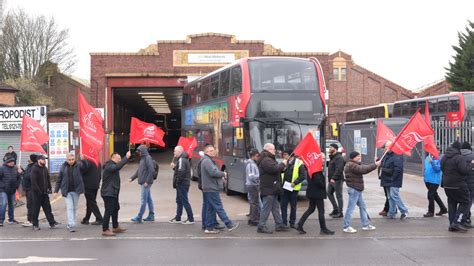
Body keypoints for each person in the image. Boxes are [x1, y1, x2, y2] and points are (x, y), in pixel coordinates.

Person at [201, 144, 239, 234]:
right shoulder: (207, 161)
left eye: (213, 150)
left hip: (209, 187)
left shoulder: (208, 160)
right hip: (211, 188)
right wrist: (223, 174)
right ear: (206, 152)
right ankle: (229, 224)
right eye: (210, 151)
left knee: (210, 208)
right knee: (219, 207)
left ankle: (209, 227)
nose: (212, 152)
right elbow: (213, 172)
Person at [296, 154, 335, 235]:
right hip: (317, 193)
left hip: (312, 192)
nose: (324, 160)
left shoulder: (313, 166)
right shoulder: (316, 168)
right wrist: (323, 184)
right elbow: (318, 181)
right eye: (322, 158)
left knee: (311, 209)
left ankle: (299, 225)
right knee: (321, 211)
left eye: (324, 158)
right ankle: (323, 229)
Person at [342, 151, 380, 233]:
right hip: (354, 189)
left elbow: (364, 167)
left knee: (362, 207)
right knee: (350, 208)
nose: (359, 157)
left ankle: (366, 225)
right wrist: (375, 165)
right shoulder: (352, 165)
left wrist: (374, 163)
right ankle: (346, 226)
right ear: (353, 158)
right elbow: (363, 169)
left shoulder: (352, 164)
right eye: (358, 156)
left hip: (357, 189)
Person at [441, 141, 473, 232]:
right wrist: (471, 164)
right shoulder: (459, 158)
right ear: (459, 149)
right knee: (465, 202)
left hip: (447, 185)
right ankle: (457, 222)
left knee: (452, 203)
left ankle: (452, 224)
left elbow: (442, 169)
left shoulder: (444, 157)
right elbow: (464, 171)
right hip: (458, 185)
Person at [257, 143, 288, 234]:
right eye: (273, 149)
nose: (274, 151)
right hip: (269, 188)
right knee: (266, 208)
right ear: (268, 150)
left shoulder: (268, 158)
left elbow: (276, 169)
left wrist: (283, 166)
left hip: (272, 188)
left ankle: (279, 224)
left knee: (275, 208)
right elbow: (274, 169)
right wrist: (282, 164)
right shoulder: (266, 160)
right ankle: (261, 226)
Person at [101, 151, 131, 236]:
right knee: (109, 210)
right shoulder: (109, 165)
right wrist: (126, 158)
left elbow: (118, 166)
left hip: (113, 191)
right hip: (108, 192)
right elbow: (117, 167)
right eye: (119, 159)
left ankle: (115, 226)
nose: (120, 160)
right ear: (113, 158)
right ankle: (105, 229)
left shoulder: (113, 165)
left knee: (115, 208)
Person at [53, 153, 85, 232]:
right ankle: (71, 225)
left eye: (72, 159)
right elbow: (59, 180)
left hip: (76, 191)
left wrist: (83, 160)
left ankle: (71, 223)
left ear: (75, 159)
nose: (71, 161)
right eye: (69, 160)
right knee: (70, 207)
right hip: (67, 191)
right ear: (66, 160)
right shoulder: (63, 167)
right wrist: (56, 191)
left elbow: (85, 167)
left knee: (74, 208)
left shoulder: (79, 166)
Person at [379, 141, 408, 220]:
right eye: (384, 147)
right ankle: (392, 213)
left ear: (391, 147)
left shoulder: (397, 155)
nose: (384, 149)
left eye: (385, 147)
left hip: (393, 180)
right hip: (387, 179)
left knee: (394, 195)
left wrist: (391, 177)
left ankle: (404, 211)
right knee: (390, 197)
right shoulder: (387, 155)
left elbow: (397, 169)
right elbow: (383, 164)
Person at [30, 155, 58, 230]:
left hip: (45, 193)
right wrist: (38, 191)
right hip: (37, 193)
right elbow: (33, 182)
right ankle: (35, 224)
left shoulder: (45, 168)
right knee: (36, 209)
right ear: (39, 160)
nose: (44, 161)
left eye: (45, 160)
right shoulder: (34, 169)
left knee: (48, 208)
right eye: (43, 160)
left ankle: (51, 223)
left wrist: (49, 188)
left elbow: (47, 179)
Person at [280, 151, 306, 228]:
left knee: (293, 206)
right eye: (283, 154)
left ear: (291, 155)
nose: (283, 156)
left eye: (285, 154)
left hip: (293, 188)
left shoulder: (299, 163)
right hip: (284, 188)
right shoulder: (284, 162)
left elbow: (302, 176)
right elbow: (280, 173)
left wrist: (295, 183)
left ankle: (292, 222)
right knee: (283, 205)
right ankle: (284, 222)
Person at [130, 145, 155, 223]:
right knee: (148, 199)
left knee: (143, 200)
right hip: (144, 182)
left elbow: (151, 170)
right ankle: (151, 215)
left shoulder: (148, 158)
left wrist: (147, 181)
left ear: (143, 151)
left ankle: (139, 216)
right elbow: (139, 170)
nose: (138, 153)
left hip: (145, 183)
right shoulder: (142, 159)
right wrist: (132, 178)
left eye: (139, 151)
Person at [169, 146, 194, 224]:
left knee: (184, 201)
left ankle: (190, 218)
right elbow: (180, 170)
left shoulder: (181, 160)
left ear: (179, 152)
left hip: (182, 184)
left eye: (175, 151)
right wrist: (174, 168)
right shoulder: (183, 159)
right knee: (179, 201)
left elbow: (181, 172)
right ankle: (178, 218)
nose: (174, 153)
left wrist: (177, 182)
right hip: (184, 183)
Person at [423, 152, 447, 217]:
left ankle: (431, 212)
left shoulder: (440, 159)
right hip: (428, 180)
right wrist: (424, 177)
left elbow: (438, 169)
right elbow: (426, 168)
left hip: (435, 181)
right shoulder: (427, 157)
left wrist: (432, 162)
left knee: (430, 195)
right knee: (434, 195)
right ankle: (443, 209)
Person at [80, 158, 103, 225]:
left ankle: (99, 218)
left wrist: (82, 160)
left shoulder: (87, 161)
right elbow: (99, 173)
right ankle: (86, 218)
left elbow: (83, 169)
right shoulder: (97, 161)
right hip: (95, 184)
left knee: (91, 202)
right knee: (90, 202)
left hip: (88, 185)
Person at [0, 156, 22, 226]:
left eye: (13, 162)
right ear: (7, 162)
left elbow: (19, 178)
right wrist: (2, 186)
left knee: (11, 205)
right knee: (3, 204)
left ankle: (11, 219)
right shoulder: (2, 168)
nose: (12, 163)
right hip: (3, 190)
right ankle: (1, 220)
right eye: (11, 162)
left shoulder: (16, 168)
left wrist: (16, 185)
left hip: (12, 190)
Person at [327, 143, 345, 218]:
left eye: (331, 147)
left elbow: (339, 169)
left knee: (339, 196)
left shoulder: (339, 158)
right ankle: (336, 209)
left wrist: (334, 178)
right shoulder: (333, 157)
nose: (329, 149)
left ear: (335, 148)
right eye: (329, 147)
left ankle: (340, 213)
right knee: (329, 193)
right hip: (332, 180)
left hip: (337, 180)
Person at [21, 154, 38, 227]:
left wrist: (21, 172)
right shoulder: (29, 165)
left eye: (29, 157)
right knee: (29, 205)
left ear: (32, 159)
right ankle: (30, 220)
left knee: (30, 205)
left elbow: (29, 176)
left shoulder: (34, 166)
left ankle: (30, 220)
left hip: (31, 188)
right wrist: (23, 170)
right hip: (27, 188)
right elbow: (26, 173)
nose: (28, 158)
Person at [460, 142, 474, 226]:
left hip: (461, 183)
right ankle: (465, 218)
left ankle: (465, 217)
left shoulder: (459, 157)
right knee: (469, 202)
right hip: (472, 183)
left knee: (464, 201)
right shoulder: (473, 156)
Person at [245, 149, 260, 226]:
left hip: (251, 185)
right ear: (254, 156)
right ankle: (254, 219)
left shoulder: (251, 163)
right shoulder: (251, 164)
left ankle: (252, 218)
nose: (258, 158)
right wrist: (259, 177)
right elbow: (251, 176)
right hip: (253, 185)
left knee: (253, 202)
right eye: (257, 156)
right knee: (255, 203)